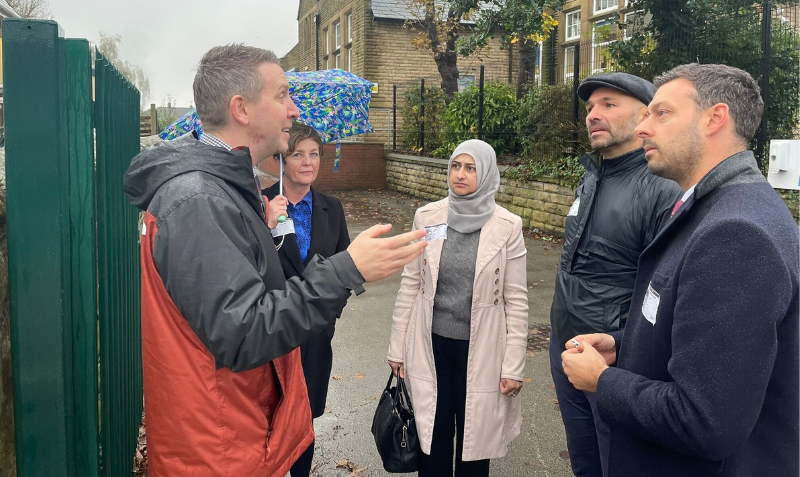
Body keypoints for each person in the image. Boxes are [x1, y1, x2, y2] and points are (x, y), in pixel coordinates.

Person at [123, 45, 426, 477]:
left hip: (237, 427)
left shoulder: (224, 190)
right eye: (282, 95)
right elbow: (243, 332)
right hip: (218, 444)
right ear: (241, 108)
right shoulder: (199, 201)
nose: (294, 108)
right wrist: (346, 270)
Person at [562, 64, 799, 477]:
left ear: (715, 118)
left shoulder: (736, 232)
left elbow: (705, 420)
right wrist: (624, 345)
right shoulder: (716, 207)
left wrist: (603, 382)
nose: (643, 128)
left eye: (662, 113)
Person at [549, 72, 681, 476]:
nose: (593, 114)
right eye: (590, 108)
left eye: (609, 104)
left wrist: (624, 349)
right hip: (566, 345)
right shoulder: (591, 176)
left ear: (645, 116)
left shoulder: (663, 188)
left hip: (614, 357)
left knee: (619, 462)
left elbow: (666, 285)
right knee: (585, 460)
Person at [387, 139, 528, 477]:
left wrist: (513, 367)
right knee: (431, 439)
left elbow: (517, 301)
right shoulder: (428, 216)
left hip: (482, 351)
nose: (459, 175)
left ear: (488, 173)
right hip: (430, 345)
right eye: (455, 166)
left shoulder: (508, 226)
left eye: (470, 168)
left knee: (474, 443)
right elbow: (411, 283)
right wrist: (397, 348)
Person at [263, 123, 349, 477]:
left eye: (314, 154)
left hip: (315, 333)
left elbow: (344, 266)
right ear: (282, 160)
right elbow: (247, 265)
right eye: (298, 154)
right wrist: (267, 224)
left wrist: (328, 313)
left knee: (305, 417)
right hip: (271, 332)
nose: (308, 162)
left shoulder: (332, 208)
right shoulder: (261, 202)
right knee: (269, 414)